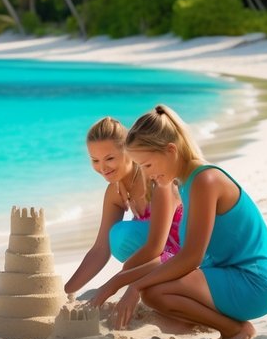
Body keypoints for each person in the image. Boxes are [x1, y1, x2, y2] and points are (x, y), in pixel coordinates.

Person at [90, 104, 267, 339]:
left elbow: (191, 258)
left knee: (152, 292)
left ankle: (235, 330)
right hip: (226, 273)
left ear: (170, 150)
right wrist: (119, 282)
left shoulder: (205, 180)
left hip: (253, 283)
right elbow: (175, 259)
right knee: (154, 291)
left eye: (147, 165)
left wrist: (134, 286)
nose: (147, 175)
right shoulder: (188, 183)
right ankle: (229, 326)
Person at [64, 116, 183, 328]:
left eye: (109, 158)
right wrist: (66, 291)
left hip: (186, 259)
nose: (103, 167)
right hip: (154, 262)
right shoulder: (115, 191)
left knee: (123, 235)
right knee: (116, 237)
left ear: (128, 151)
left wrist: (116, 283)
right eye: (95, 160)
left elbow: (156, 246)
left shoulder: (157, 180)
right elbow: (101, 249)